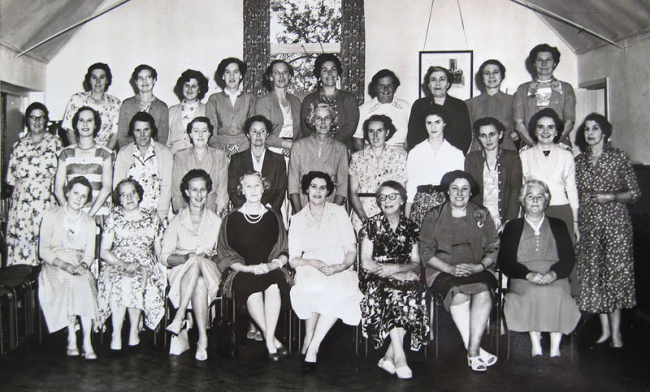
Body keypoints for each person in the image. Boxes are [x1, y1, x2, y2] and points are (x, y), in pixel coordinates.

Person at [420, 170, 499, 372]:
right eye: (455, 188)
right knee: (458, 293)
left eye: (465, 189)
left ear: (471, 192)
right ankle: (474, 352)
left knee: (483, 290)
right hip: (442, 267)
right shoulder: (433, 215)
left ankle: (472, 352)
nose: (460, 193)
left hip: (476, 265)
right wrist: (449, 268)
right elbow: (426, 251)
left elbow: (493, 246)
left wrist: (480, 266)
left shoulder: (481, 213)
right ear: (447, 191)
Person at [574, 114, 641, 349]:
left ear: (605, 133)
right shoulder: (579, 161)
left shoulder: (618, 156)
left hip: (615, 225)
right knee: (595, 276)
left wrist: (610, 196)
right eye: (587, 129)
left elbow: (634, 194)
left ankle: (617, 334)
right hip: (589, 225)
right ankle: (604, 332)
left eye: (595, 128)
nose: (590, 133)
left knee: (613, 277)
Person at [289, 171, 363, 371]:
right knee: (315, 285)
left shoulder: (339, 213)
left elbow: (350, 251)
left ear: (328, 191)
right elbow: (294, 260)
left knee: (340, 290)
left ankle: (312, 346)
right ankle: (309, 340)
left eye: (323, 187)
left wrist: (340, 267)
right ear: (306, 189)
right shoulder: (297, 219)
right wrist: (314, 263)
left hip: (338, 266)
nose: (318, 191)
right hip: (310, 266)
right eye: (313, 186)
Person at [499, 179, 581, 357]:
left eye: (539, 197)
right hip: (523, 277)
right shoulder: (512, 227)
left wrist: (554, 273)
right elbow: (505, 261)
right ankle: (536, 346)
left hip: (554, 275)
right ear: (522, 200)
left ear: (546, 201)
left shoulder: (558, 225)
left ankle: (555, 348)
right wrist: (528, 275)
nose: (535, 201)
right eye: (530, 197)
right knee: (532, 293)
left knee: (558, 293)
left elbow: (568, 257)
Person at [217, 171, 291, 361]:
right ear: (241, 190)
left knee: (274, 284)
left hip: (270, 269)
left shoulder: (273, 217)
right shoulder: (231, 219)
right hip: (243, 271)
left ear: (263, 187)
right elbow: (225, 254)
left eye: (257, 185)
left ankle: (268, 338)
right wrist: (248, 268)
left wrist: (272, 265)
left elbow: (284, 250)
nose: (253, 189)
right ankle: (271, 340)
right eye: (248, 186)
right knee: (251, 286)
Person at [359, 181, 428, 379]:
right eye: (383, 197)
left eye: (393, 196)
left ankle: (388, 357)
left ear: (402, 199)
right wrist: (393, 273)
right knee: (392, 292)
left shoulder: (411, 227)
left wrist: (398, 269)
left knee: (413, 292)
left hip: (402, 274)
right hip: (375, 276)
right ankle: (400, 357)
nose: (387, 201)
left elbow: (416, 262)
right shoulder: (371, 224)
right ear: (378, 202)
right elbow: (365, 262)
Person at [97, 178, 166, 350]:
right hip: (116, 261)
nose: (129, 198)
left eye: (132, 193)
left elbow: (159, 250)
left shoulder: (152, 217)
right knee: (118, 278)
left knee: (135, 278)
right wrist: (122, 263)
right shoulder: (114, 217)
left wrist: (163, 270)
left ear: (139, 194)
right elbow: (104, 251)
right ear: (118, 199)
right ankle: (116, 332)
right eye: (123, 195)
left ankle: (134, 329)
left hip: (145, 263)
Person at [162, 169, 223, 361]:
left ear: (207, 192)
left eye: (202, 190)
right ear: (187, 192)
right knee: (198, 282)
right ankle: (202, 341)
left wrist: (206, 257)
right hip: (181, 271)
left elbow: (222, 255)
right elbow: (165, 257)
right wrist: (186, 258)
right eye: (194, 190)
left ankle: (179, 316)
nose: (198, 194)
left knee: (199, 262)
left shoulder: (216, 221)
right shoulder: (176, 221)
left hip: (209, 271)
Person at [38, 176, 98, 360]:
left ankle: (87, 340)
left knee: (85, 282)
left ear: (88, 199)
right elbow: (43, 250)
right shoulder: (51, 214)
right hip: (55, 264)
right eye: (76, 193)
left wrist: (83, 265)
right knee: (69, 282)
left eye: (84, 196)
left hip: (77, 263)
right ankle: (72, 336)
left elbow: (89, 253)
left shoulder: (89, 221)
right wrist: (63, 264)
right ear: (67, 192)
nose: (79, 198)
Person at [6, 102, 63, 266]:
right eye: (33, 117)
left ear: (46, 120)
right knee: (22, 257)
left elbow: (62, 179)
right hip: (22, 209)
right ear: (27, 120)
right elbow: (11, 179)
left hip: (46, 205)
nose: (37, 122)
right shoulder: (18, 146)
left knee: (45, 254)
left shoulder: (57, 144)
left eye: (41, 118)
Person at [519, 108, 579, 241]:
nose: (545, 132)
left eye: (550, 127)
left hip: (561, 210)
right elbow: (523, 189)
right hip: (533, 210)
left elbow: (571, 189)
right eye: (540, 127)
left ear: (557, 131)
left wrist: (575, 223)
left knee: (562, 254)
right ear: (534, 131)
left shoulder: (566, 155)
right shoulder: (525, 155)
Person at [405, 106, 464, 227]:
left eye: (437, 122)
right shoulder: (415, 152)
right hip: (420, 205)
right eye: (429, 123)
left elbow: (460, 188)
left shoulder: (456, 153)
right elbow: (410, 189)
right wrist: (406, 220)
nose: (433, 127)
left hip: (446, 205)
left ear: (444, 123)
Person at [349, 114, 407, 231]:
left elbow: (401, 192)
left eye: (379, 131)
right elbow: (353, 192)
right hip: (362, 215)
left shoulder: (398, 157)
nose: (375, 136)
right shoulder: (357, 158)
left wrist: (390, 218)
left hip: (390, 215)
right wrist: (365, 220)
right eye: (371, 131)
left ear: (387, 132)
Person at [55, 106, 113, 219]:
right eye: (81, 120)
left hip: (98, 214)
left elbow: (106, 188)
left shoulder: (105, 153)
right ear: (76, 124)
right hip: (71, 216)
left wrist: (88, 216)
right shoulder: (65, 154)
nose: (85, 124)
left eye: (89, 120)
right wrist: (71, 214)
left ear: (96, 125)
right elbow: (58, 190)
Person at [464, 117, 522, 230]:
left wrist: (509, 222)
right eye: (483, 135)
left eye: (492, 134)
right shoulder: (471, 159)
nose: (488, 140)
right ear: (479, 138)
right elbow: (472, 193)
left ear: (500, 135)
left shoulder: (512, 157)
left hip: (506, 217)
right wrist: (479, 220)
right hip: (480, 218)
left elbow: (516, 190)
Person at [288, 103, 348, 212]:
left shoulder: (341, 148)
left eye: (327, 118)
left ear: (332, 121)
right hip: (303, 205)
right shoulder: (298, 146)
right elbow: (293, 185)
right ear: (313, 121)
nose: (323, 122)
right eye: (318, 118)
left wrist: (331, 214)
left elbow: (342, 187)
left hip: (330, 205)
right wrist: (300, 214)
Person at [114, 112, 173, 220]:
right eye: (138, 130)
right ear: (132, 131)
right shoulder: (123, 153)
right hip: (130, 215)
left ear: (152, 130)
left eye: (146, 130)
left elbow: (166, 187)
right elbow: (119, 187)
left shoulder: (165, 152)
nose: (142, 135)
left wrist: (160, 216)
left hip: (158, 215)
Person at [514, 44, 576, 147]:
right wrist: (535, 146)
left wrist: (552, 145)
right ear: (534, 63)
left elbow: (569, 122)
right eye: (539, 60)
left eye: (548, 60)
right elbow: (518, 123)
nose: (544, 63)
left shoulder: (565, 88)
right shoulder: (523, 89)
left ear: (555, 63)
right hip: (530, 146)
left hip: (559, 145)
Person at [228, 115, 287, 212]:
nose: (258, 135)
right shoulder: (237, 159)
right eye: (254, 131)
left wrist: (267, 211)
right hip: (243, 213)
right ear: (248, 135)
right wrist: (247, 210)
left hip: (270, 213)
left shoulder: (278, 160)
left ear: (267, 134)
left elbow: (280, 191)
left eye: (262, 131)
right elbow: (232, 190)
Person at [171, 117, 229, 215]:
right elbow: (176, 191)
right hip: (187, 210)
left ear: (209, 133)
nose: (200, 135)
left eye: (204, 131)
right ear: (190, 134)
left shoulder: (219, 155)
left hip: (212, 209)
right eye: (196, 131)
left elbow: (222, 191)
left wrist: (217, 214)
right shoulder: (180, 156)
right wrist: (182, 214)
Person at [300, 53, 359, 149]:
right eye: (325, 70)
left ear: (338, 73)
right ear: (319, 74)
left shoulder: (349, 99)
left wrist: (331, 144)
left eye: (333, 69)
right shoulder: (309, 100)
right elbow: (306, 129)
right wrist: (319, 144)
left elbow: (350, 127)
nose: (330, 73)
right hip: (315, 149)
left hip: (342, 150)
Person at [408, 66, 472, 154]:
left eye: (442, 79)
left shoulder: (459, 105)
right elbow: (413, 136)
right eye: (433, 80)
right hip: (424, 155)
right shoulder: (419, 105)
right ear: (429, 85)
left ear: (448, 84)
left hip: (451, 156)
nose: (437, 83)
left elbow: (465, 137)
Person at [61, 62, 121, 149]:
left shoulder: (115, 103)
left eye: (102, 77)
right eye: (94, 77)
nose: (98, 81)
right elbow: (70, 131)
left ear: (107, 80)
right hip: (79, 151)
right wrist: (78, 153)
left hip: (105, 153)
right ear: (89, 79)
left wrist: (104, 156)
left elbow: (115, 134)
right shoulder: (77, 99)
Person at [206, 57, 257, 155]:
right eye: (228, 72)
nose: (232, 76)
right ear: (223, 76)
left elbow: (253, 129)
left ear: (241, 75)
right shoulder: (214, 99)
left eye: (236, 72)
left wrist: (240, 152)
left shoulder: (250, 99)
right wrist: (221, 152)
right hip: (219, 150)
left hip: (245, 149)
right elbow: (211, 131)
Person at [352, 69, 410, 151]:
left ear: (395, 87)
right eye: (381, 86)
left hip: (399, 155)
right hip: (372, 155)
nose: (386, 89)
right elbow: (357, 140)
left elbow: (410, 138)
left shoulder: (405, 107)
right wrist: (367, 158)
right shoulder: (363, 109)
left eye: (389, 85)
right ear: (375, 88)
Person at [465, 60, 516, 151]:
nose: (491, 76)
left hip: (507, 152)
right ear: (482, 78)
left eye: (495, 72)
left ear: (502, 76)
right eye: (487, 73)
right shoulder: (470, 104)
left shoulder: (513, 101)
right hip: (479, 152)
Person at [254, 59, 302, 156]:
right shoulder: (264, 102)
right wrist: (288, 145)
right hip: (271, 151)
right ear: (271, 77)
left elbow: (301, 131)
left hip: (293, 151)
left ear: (290, 76)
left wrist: (293, 147)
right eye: (277, 72)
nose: (281, 76)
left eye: (285, 72)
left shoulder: (296, 101)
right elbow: (263, 134)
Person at [117, 64, 169, 149]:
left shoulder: (162, 107)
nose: (144, 81)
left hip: (154, 155)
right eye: (140, 78)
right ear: (136, 82)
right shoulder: (127, 104)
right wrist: (128, 153)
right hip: (129, 153)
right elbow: (121, 136)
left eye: (148, 77)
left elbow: (162, 138)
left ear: (154, 80)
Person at [167, 69, 209, 154]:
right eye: (186, 85)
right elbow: (166, 142)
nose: (189, 89)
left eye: (194, 86)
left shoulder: (207, 110)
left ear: (200, 89)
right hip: (174, 158)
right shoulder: (171, 111)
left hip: (198, 158)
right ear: (182, 87)